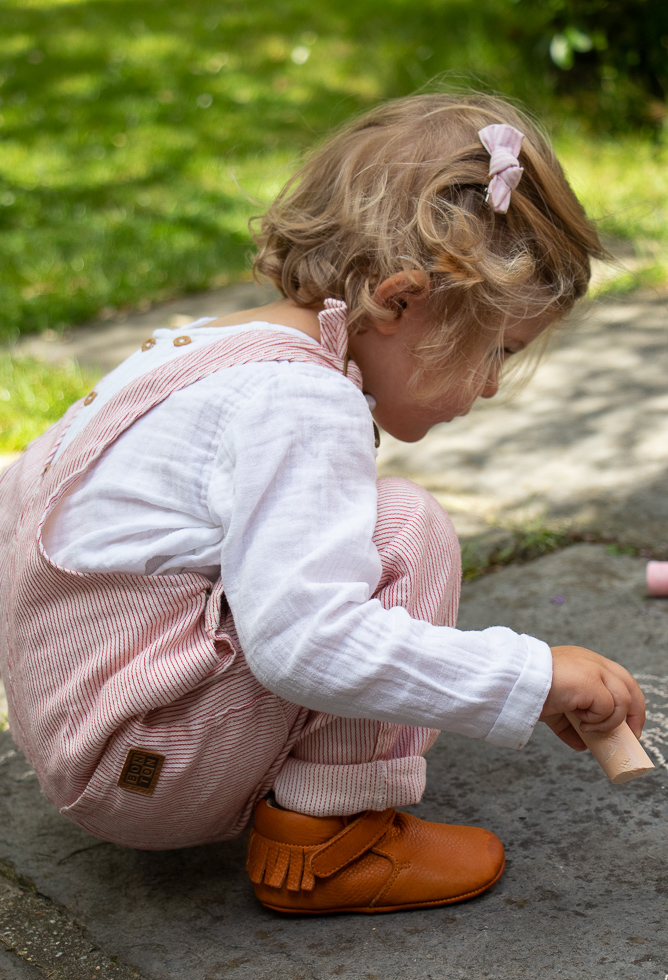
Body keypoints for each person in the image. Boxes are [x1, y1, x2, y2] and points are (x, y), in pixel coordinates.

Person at [0, 93, 644, 916]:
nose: (489, 386)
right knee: (405, 530)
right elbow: (308, 643)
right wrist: (528, 674)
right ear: (401, 300)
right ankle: (329, 841)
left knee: (348, 539)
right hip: (145, 767)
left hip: (94, 736)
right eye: (495, 349)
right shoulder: (304, 402)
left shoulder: (212, 348)